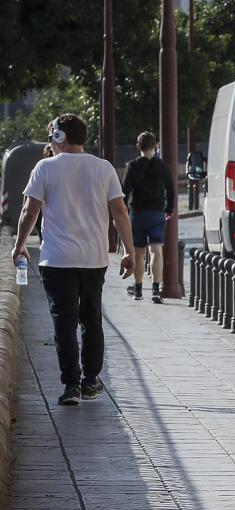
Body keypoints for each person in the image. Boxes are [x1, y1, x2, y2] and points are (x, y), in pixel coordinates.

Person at [10, 114, 135, 405]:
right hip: (94, 258)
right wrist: (129, 251)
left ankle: (71, 386)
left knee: (63, 322)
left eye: (51, 134)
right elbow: (120, 211)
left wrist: (19, 245)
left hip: (56, 260)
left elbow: (30, 211)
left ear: (59, 137)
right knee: (91, 319)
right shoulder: (103, 168)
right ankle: (91, 379)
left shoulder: (44, 168)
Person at [120, 131, 174, 303]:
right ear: (155, 146)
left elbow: (124, 191)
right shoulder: (162, 166)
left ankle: (138, 289)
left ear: (138, 146)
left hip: (138, 212)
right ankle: (156, 290)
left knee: (138, 252)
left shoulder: (133, 166)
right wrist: (169, 208)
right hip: (157, 211)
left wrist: (122, 211)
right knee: (156, 250)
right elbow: (171, 188)